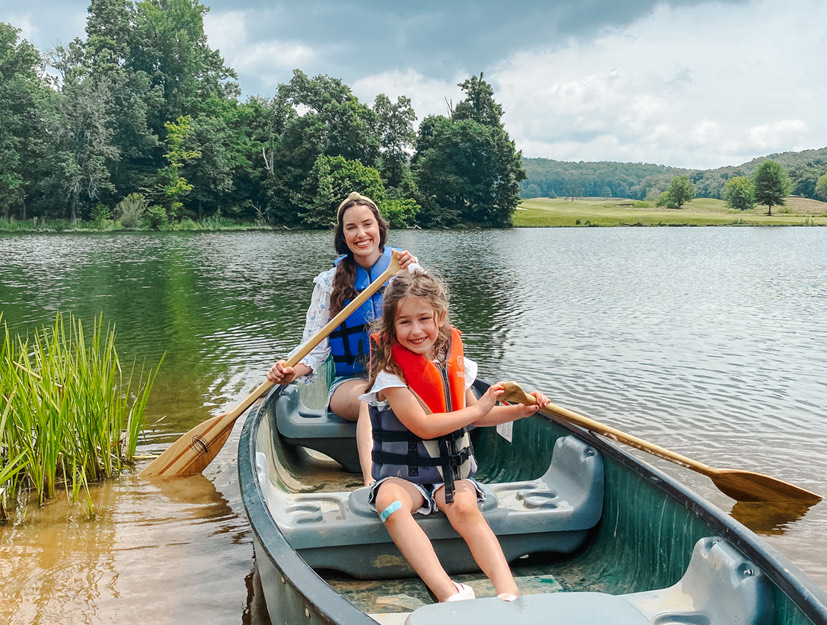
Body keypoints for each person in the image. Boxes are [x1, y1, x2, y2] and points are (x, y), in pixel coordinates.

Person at [360, 269, 550, 603]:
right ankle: (447, 591)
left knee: (464, 505)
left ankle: (509, 592)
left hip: (449, 476)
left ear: (440, 317)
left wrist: (520, 410)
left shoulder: (454, 364)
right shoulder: (390, 374)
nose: (416, 330)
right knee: (389, 504)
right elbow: (423, 426)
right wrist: (479, 410)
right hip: (404, 479)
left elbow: (483, 415)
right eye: (404, 322)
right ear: (391, 327)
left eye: (424, 319)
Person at [266, 192, 417, 484]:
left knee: (435, 391)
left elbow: (432, 331)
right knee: (370, 398)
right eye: (351, 227)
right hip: (351, 383)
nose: (361, 234)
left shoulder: (406, 272)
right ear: (342, 235)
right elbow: (314, 348)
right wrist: (290, 371)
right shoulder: (328, 283)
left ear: (380, 228)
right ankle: (373, 484)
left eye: (367, 224)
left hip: (403, 375)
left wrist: (415, 273)